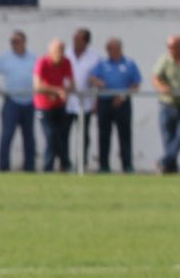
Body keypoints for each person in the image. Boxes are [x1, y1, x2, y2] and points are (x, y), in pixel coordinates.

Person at [87, 37, 140, 174]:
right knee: (104, 134)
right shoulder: (102, 63)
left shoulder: (129, 64)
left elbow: (135, 84)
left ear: (119, 49)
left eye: (112, 49)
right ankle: (104, 165)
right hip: (105, 102)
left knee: (124, 135)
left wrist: (122, 96)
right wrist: (97, 81)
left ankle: (127, 165)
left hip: (122, 102)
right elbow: (91, 77)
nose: (110, 51)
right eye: (108, 49)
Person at [0, 31, 35, 172]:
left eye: (17, 41)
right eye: (12, 41)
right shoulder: (5, 58)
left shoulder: (33, 58)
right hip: (11, 102)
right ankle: (4, 167)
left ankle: (29, 167)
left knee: (29, 137)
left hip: (29, 101)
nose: (14, 44)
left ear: (24, 42)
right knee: (7, 136)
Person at [34, 38, 74, 173]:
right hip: (43, 106)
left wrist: (65, 91)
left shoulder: (66, 62)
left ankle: (65, 165)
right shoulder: (42, 62)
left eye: (62, 50)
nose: (60, 53)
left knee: (62, 136)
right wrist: (56, 90)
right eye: (57, 50)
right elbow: (37, 86)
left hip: (60, 105)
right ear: (50, 51)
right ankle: (48, 167)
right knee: (51, 135)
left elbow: (72, 84)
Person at [66, 27, 101, 172]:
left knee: (84, 136)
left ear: (86, 41)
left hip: (86, 103)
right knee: (63, 134)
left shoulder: (95, 57)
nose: (75, 42)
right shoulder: (66, 53)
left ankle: (82, 163)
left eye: (78, 39)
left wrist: (96, 102)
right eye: (74, 38)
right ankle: (65, 162)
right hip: (66, 102)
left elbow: (98, 81)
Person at [151, 35, 180, 174]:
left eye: (174, 47)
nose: (171, 50)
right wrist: (163, 88)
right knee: (168, 137)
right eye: (169, 47)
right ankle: (170, 167)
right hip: (167, 104)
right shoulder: (165, 60)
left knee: (179, 137)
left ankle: (164, 161)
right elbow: (155, 78)